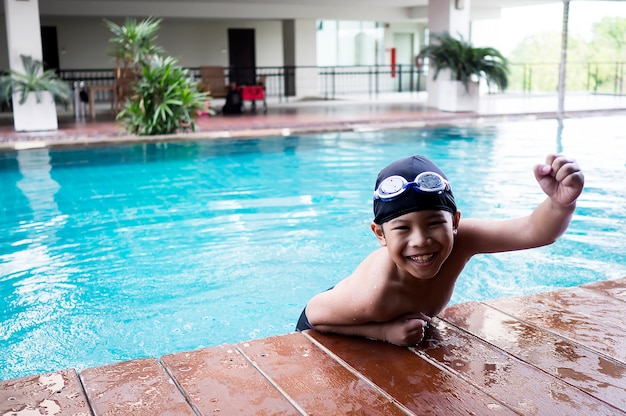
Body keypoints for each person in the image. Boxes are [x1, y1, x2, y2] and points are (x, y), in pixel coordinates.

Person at [296, 154, 584, 346]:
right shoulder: (373, 294)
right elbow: (313, 315)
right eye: (403, 228)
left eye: (434, 223)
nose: (421, 240)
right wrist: (381, 332)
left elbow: (533, 231)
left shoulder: (463, 240)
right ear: (380, 234)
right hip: (333, 320)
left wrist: (561, 203)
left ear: (455, 222)